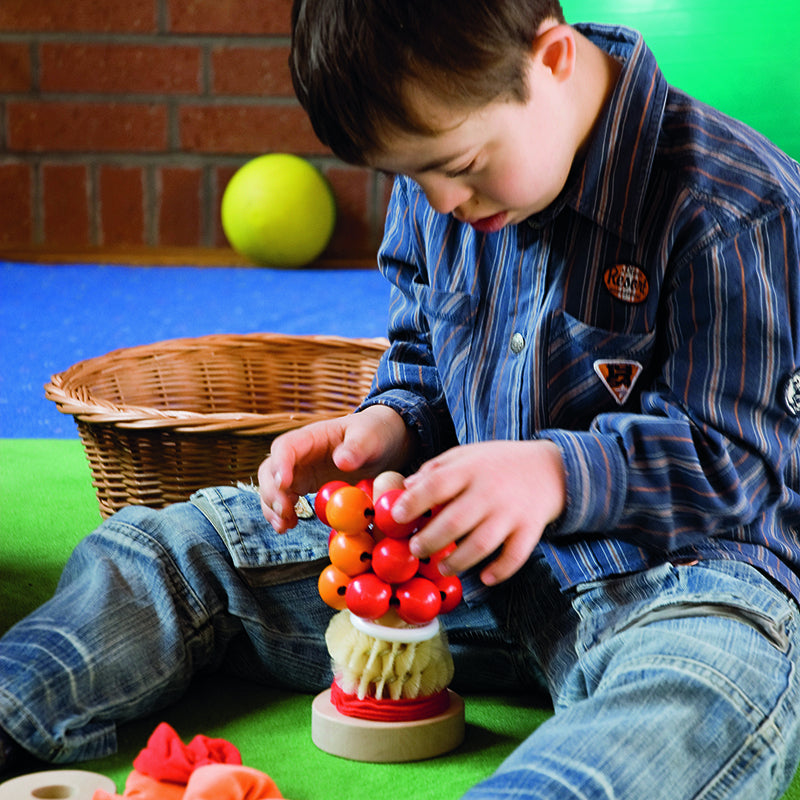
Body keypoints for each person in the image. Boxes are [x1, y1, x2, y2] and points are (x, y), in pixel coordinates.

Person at [2, 0, 800, 797]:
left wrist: (552, 473)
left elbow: (744, 465)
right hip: (453, 560)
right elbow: (423, 357)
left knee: (697, 699)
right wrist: (386, 425)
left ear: (551, 59)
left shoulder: (739, 208)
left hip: (670, 585)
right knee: (175, 550)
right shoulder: (441, 170)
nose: (440, 201)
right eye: (408, 176)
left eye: (458, 167)